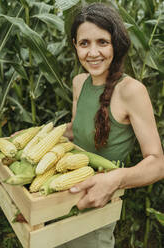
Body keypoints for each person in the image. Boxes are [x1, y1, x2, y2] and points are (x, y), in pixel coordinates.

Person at [58, 2, 164, 248]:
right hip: (66, 193)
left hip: (99, 203)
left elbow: (158, 163)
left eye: (102, 42)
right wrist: (35, 137)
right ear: (75, 45)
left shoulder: (131, 91)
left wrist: (114, 180)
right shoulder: (79, 82)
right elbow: (76, 129)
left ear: (115, 43)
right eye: (84, 43)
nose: (92, 52)